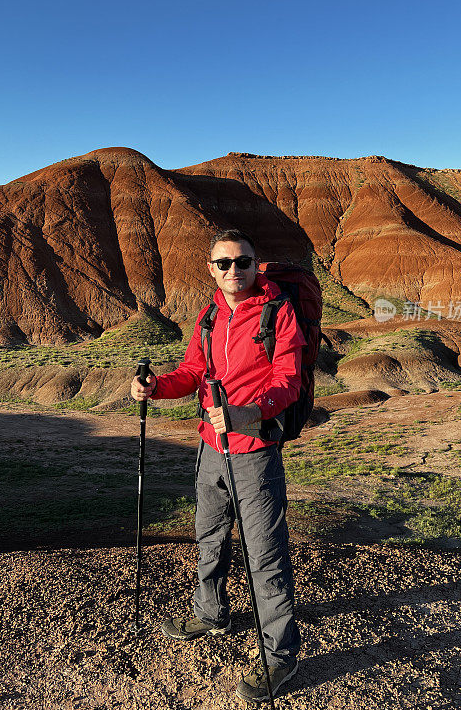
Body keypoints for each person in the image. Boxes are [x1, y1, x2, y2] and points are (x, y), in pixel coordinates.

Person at [130, 228, 305, 703]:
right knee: (209, 536)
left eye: (243, 261)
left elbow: (288, 379)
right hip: (210, 448)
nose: (234, 270)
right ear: (211, 269)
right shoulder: (209, 316)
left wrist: (245, 414)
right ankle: (211, 613)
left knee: (264, 555)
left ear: (256, 264)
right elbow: (191, 373)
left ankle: (280, 657)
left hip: (255, 452)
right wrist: (155, 387)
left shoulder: (278, 310)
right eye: (224, 263)